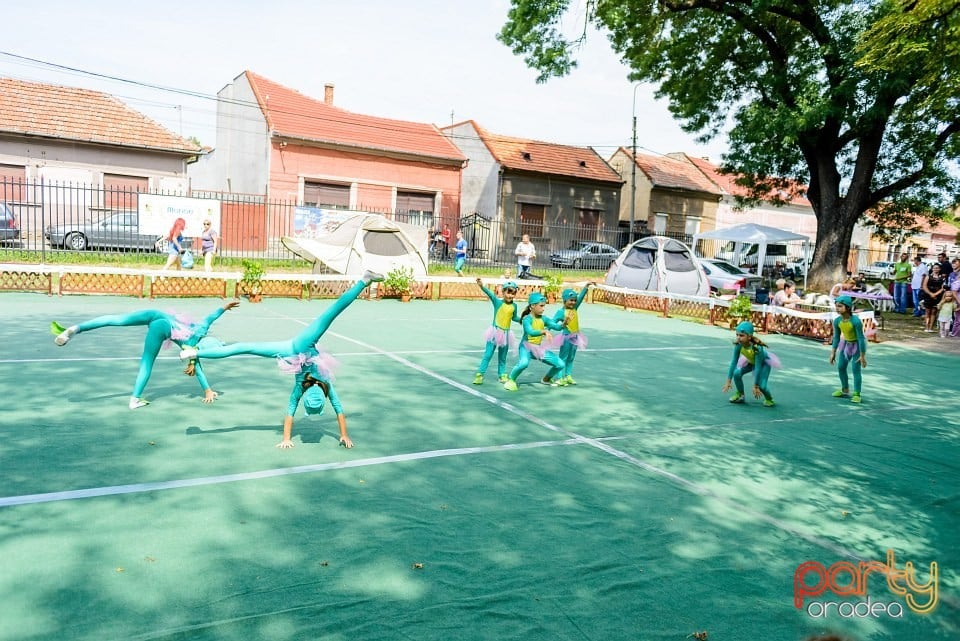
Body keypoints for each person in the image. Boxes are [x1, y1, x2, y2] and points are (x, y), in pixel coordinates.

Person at [178, 271, 384, 448]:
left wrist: (341, 434)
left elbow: (337, 411)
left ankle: (363, 281)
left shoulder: (325, 384)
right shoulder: (304, 388)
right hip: (293, 350)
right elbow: (291, 413)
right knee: (246, 347)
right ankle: (195, 353)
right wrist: (289, 438)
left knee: (332, 312)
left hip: (296, 346)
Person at [51, 301, 240, 409]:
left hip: (156, 314)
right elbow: (198, 370)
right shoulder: (193, 349)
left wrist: (225, 307)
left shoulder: (202, 328)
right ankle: (134, 399)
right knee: (146, 363)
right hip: (162, 328)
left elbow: (212, 316)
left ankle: (77, 328)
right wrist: (207, 389)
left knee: (116, 320)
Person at [503, 292, 565, 391]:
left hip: (538, 349)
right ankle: (511, 380)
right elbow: (530, 332)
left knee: (560, 364)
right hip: (526, 347)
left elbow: (556, 327)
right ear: (532, 305)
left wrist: (563, 324)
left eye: (544, 306)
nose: (543, 308)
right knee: (523, 364)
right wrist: (544, 331)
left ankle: (546, 379)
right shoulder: (527, 319)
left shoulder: (544, 318)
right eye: (541, 306)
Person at [472, 278, 521, 385]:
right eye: (508, 293)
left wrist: (522, 320)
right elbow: (490, 294)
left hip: (506, 334)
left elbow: (514, 317)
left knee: (503, 357)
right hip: (495, 332)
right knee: (488, 355)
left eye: (513, 294)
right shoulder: (498, 302)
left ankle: (501, 375)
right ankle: (480, 374)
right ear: (503, 292)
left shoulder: (514, 306)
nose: (510, 296)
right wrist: (481, 286)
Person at [721, 321, 778, 406]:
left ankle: (769, 399)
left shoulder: (757, 348)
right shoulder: (738, 345)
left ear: (749, 336)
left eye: (741, 335)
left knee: (762, 387)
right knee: (736, 373)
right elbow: (734, 362)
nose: (738, 338)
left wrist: (756, 385)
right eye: (737, 335)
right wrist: (728, 380)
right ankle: (740, 395)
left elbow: (758, 367)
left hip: (763, 364)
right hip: (751, 362)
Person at [552, 284, 593, 386]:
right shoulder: (560, 312)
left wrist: (586, 287)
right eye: (571, 300)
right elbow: (552, 322)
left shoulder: (575, 308)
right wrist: (546, 330)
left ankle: (568, 375)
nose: (573, 302)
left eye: (574, 300)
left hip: (575, 337)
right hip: (566, 337)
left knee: (571, 357)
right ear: (565, 300)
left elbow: (581, 297)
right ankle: (560, 377)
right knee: (563, 357)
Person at [829, 295, 867, 403]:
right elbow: (836, 337)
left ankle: (856, 393)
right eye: (836, 306)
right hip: (845, 345)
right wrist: (833, 352)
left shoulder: (855, 321)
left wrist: (862, 355)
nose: (837, 308)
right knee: (841, 367)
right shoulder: (837, 321)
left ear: (848, 307)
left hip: (857, 346)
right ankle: (845, 390)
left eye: (840, 306)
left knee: (856, 369)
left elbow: (861, 338)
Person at [920, 263, 945, 332]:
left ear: (939, 269)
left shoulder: (942, 278)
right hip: (928, 295)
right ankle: (926, 327)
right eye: (934, 268)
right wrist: (930, 293)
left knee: (934, 311)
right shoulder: (928, 276)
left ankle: (931, 327)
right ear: (932, 269)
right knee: (927, 311)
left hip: (937, 296)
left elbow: (942, 288)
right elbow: (924, 286)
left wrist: (935, 294)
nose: (935, 269)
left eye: (937, 268)